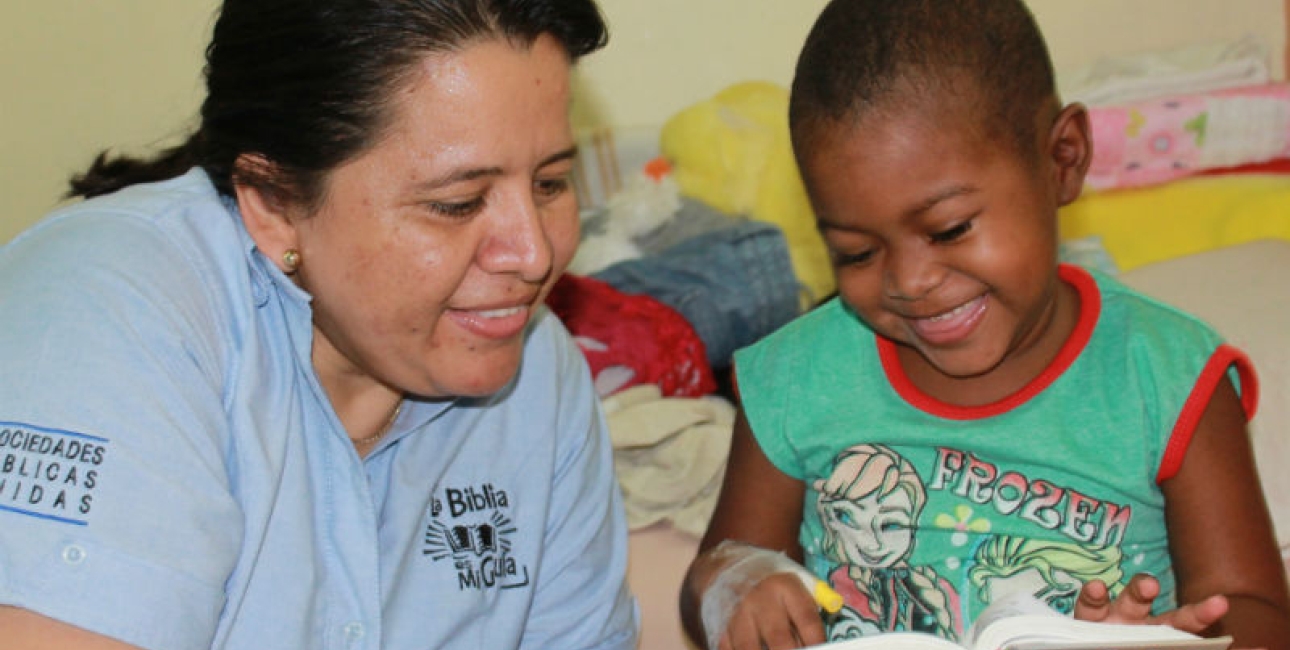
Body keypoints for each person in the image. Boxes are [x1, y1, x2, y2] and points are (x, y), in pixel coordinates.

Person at [0, 1, 639, 649]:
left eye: (551, 184)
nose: (534, 255)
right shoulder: (112, 310)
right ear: (274, 204)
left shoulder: (536, 368)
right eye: (458, 203)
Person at [678, 1, 1290, 648]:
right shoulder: (795, 379)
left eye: (949, 229)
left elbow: (1257, 610)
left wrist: (1172, 641)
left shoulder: (1164, 376)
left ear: (1063, 159)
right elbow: (713, 578)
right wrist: (732, 584)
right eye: (856, 252)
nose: (908, 282)